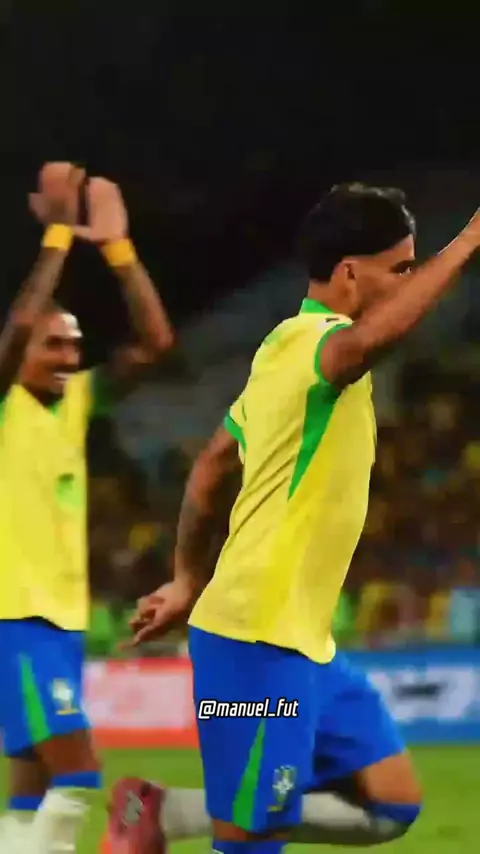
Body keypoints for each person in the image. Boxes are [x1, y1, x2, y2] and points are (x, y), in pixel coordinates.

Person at [108, 183, 480, 854]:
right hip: (254, 641)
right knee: (252, 838)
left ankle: (164, 811)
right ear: (350, 274)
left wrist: (187, 579)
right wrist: (472, 238)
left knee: (389, 805)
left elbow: (213, 465)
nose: (408, 282)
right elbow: (365, 344)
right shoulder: (315, 344)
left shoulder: (286, 356)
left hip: (303, 642)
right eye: (400, 268)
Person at [0, 162, 174, 853]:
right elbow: (20, 320)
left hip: (59, 619)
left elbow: (157, 345)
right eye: (54, 345)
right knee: (78, 774)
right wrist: (58, 237)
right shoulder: (4, 406)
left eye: (75, 344)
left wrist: (118, 250)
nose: (70, 357)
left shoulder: (73, 403)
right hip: (17, 616)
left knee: (31, 786)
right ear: (19, 353)